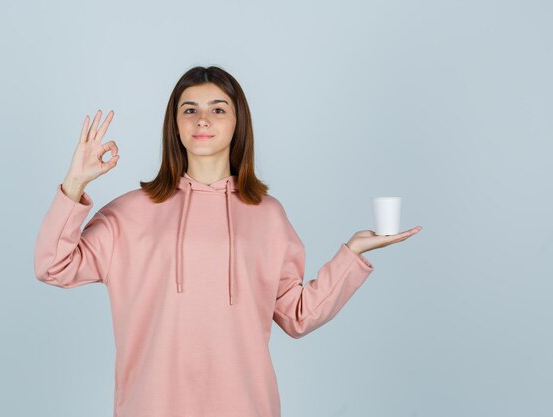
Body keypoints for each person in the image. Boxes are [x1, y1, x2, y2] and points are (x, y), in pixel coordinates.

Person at [34, 65, 422, 417]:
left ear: (239, 123)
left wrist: (351, 254)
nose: (202, 119)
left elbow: (298, 314)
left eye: (218, 109)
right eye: (189, 109)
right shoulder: (129, 214)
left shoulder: (267, 215)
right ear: (175, 124)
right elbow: (54, 265)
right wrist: (75, 183)